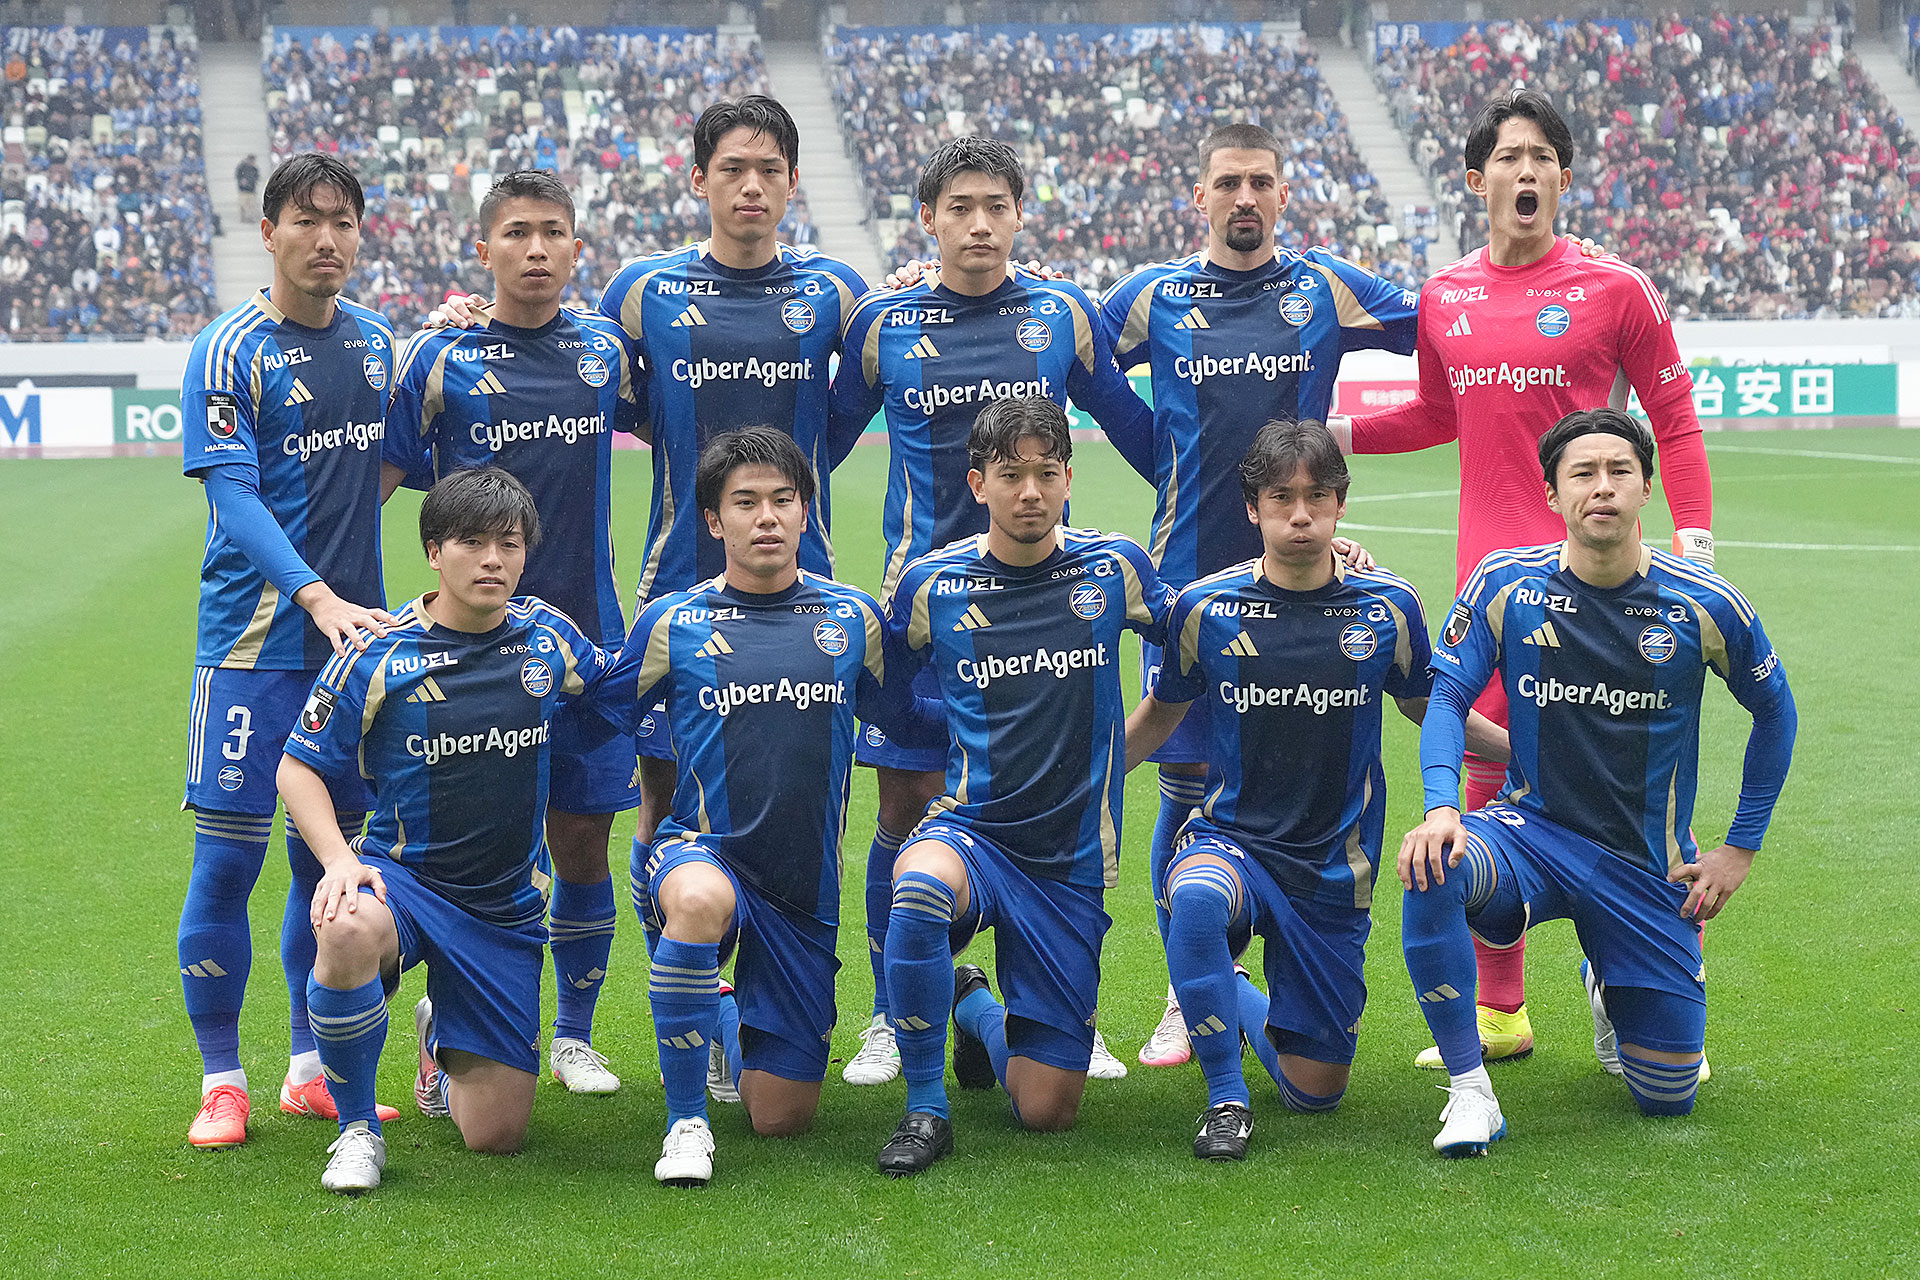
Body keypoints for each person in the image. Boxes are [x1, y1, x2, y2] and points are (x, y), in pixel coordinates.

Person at [1334, 89, 1717, 1071]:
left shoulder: (1616, 288)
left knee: (1628, 790)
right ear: (1477, 179)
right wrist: (1334, 436)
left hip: (1608, 587)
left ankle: (1631, 973)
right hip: (1493, 588)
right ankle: (1500, 1009)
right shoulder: (1445, 296)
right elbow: (1435, 412)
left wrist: (1697, 546)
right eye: (1510, 156)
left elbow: (1672, 419)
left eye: (1544, 155)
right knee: (1488, 775)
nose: (1528, 170)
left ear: (1564, 176)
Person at [829, 135, 1154, 1086]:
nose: (979, 224)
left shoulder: (1059, 312)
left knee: (1055, 814)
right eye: (960, 207)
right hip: (924, 617)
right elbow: (816, 446)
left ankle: (1064, 1012)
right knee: (904, 807)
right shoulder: (883, 321)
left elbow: (1141, 432)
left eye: (996, 206)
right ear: (927, 219)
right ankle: (892, 1014)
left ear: (1019, 215)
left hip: (1049, 610)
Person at [1096, 122, 1420, 1069]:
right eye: (1228, 182)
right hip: (1192, 583)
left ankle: (1295, 946)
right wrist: (1160, 453)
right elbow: (1067, 354)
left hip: (1314, 582)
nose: (1245, 197)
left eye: (1261, 182)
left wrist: (1545, 256)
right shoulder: (1153, 297)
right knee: (1188, 780)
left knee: (1298, 768)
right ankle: (1185, 985)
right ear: (1199, 197)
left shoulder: (1324, 287)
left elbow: (1442, 324)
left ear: (1284, 195)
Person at [1399, 408, 1793, 1157]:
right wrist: (1443, 807)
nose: (1602, 487)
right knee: (1433, 860)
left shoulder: (1704, 602)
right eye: (1582, 473)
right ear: (1553, 494)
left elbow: (1775, 711)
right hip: (1530, 833)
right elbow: (1446, 698)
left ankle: (1610, 980)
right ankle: (1470, 1091)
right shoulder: (1506, 584)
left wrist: (1739, 848)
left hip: (1644, 864)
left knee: (1667, 1098)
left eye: (1620, 471)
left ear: (1647, 487)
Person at [1125, 418, 1509, 1161]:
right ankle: (1226, 1098)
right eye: (1281, 498)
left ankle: (1228, 988)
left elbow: (1427, 705)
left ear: (1340, 504)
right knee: (1197, 898)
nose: (1299, 515)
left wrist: (1522, 755)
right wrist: (1091, 782)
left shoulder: (1388, 606)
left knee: (1315, 1092)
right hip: (1232, 842)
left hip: (1335, 865)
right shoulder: (1206, 608)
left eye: (1316, 498)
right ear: (1252, 508)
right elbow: (1160, 715)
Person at [583, 427, 934, 1187]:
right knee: (699, 902)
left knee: (781, 1117)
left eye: (782, 499)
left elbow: (910, 720)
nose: (766, 517)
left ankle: (719, 1017)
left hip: (803, 891)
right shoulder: (674, 622)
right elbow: (596, 710)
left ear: (807, 512)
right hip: (701, 857)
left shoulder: (854, 621)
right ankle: (685, 1122)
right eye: (745, 503)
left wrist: (1015, 702)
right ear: (714, 522)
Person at [381, 169, 643, 1098]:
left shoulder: (607, 351)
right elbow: (376, 484)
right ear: (482, 247)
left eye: (554, 232)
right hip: (473, 659)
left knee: (582, 845)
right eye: (518, 232)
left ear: (577, 247)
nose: (537, 249)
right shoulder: (438, 357)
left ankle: (573, 1036)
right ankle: (450, 1026)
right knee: (487, 856)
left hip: (586, 644)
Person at [281, 467, 613, 1193]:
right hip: (405, 884)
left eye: (509, 545)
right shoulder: (376, 651)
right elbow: (297, 768)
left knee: (495, 1137)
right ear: (435, 551)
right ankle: (357, 1129)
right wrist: (337, 861)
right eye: (471, 543)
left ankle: (437, 1035)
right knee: (345, 927)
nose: (492, 560)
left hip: (504, 908)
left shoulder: (548, 636)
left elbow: (614, 685)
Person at [874, 396, 1170, 1176]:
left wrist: (1125, 751)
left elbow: (1196, 645)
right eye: (1011, 475)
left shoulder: (1114, 569)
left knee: (1046, 1111)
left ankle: (971, 1003)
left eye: (1046, 473)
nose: (1030, 492)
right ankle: (925, 1107)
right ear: (979, 484)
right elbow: (886, 692)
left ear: (1069, 477)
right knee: (919, 889)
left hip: (1067, 858)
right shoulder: (933, 584)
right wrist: (944, 741)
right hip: (972, 832)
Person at [176, 153, 400, 1149]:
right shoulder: (230, 349)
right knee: (228, 862)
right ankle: (221, 1079)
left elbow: (394, 460)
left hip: (349, 651)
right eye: (306, 221)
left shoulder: (378, 342)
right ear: (268, 233)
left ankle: (310, 1069)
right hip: (252, 648)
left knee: (330, 868)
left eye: (343, 221)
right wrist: (315, 591)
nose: (327, 239)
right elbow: (233, 494)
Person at [235, 155, 259, 223]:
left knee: (251, 206)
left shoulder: (254, 169)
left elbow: (257, 177)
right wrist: (241, 181)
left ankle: (250, 218)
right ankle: (244, 218)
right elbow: (237, 175)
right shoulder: (242, 167)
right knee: (243, 205)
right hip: (243, 190)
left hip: (251, 190)